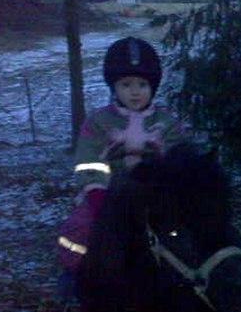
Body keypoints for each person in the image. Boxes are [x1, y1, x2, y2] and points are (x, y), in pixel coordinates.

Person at [57, 36, 184, 296]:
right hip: (109, 194)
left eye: (142, 84)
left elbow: (178, 157)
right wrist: (95, 190)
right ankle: (75, 272)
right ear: (114, 87)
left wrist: (172, 184)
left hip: (156, 194)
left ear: (153, 87)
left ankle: (186, 276)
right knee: (79, 228)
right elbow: (88, 160)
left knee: (183, 231)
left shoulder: (166, 123)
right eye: (126, 85)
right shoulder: (99, 122)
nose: (135, 92)